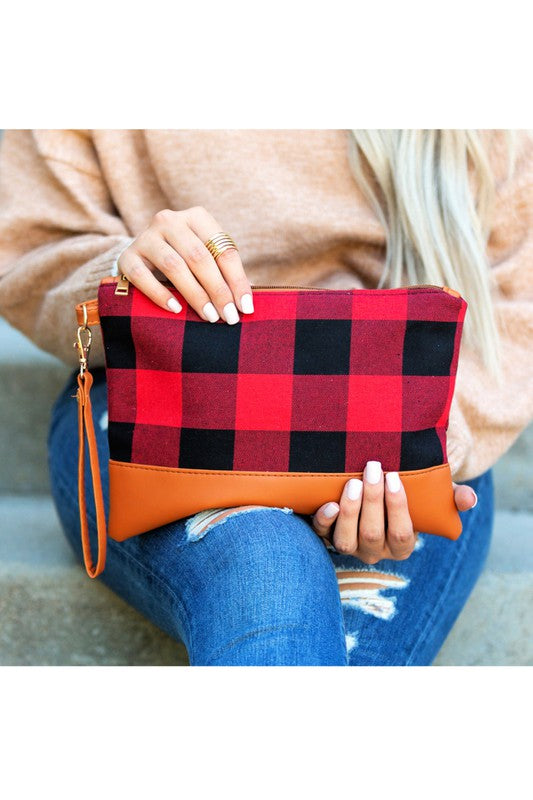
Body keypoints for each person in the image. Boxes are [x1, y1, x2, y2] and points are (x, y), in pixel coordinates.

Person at [0, 130, 531, 666]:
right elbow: (24, 244)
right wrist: (126, 272)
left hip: (403, 431)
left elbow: (518, 302)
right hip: (161, 398)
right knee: (269, 568)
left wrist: (430, 440)